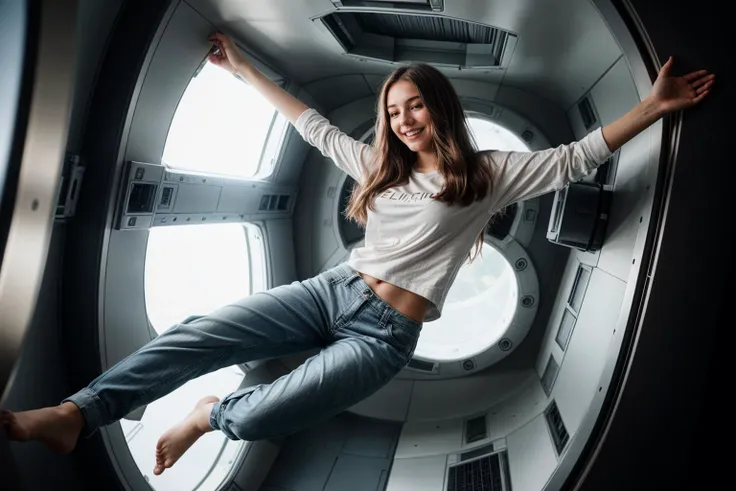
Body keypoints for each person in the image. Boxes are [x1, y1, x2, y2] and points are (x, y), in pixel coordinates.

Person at [1, 32, 714, 476]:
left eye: (415, 106)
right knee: (200, 330)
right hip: (332, 289)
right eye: (394, 111)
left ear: (440, 105)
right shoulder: (379, 164)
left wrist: (653, 106)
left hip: (385, 335)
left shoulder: (489, 173)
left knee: (255, 415)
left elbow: (574, 157)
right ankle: (78, 411)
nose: (404, 121)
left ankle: (205, 413)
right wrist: (244, 69)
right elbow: (309, 125)